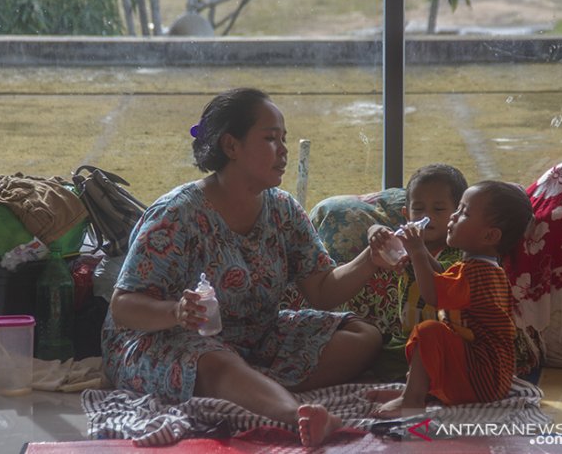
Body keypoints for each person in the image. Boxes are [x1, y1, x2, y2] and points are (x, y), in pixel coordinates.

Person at [102, 87, 385, 447]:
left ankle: (247, 387)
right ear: (231, 146)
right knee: (216, 363)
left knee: (362, 337)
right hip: (160, 339)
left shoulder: (283, 209)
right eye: (270, 139)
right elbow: (123, 306)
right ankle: (296, 414)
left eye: (283, 139)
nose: (283, 150)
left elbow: (323, 289)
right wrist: (177, 311)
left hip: (255, 338)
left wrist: (369, 260)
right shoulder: (178, 215)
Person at [368, 180, 533, 418]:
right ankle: (415, 391)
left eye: (464, 212)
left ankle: (412, 400)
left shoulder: (478, 275)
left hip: (482, 378)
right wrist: (420, 252)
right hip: (483, 375)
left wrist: (416, 251)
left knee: (428, 331)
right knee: (438, 335)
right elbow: (440, 276)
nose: (454, 217)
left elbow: (432, 295)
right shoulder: (479, 267)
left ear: (489, 235)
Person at [368, 164, 467, 381]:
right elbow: (382, 245)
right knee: (377, 362)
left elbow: (441, 280)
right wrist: (375, 232)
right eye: (419, 209)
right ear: (407, 214)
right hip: (405, 339)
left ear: (457, 214)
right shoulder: (405, 245)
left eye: (438, 209)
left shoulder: (458, 252)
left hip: (443, 341)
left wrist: (418, 251)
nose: (427, 216)